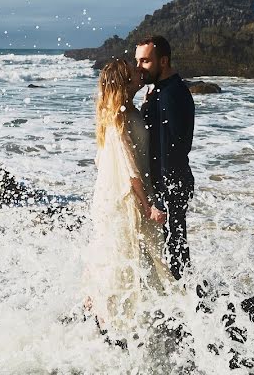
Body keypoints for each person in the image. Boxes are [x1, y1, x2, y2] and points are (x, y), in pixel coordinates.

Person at [83, 59, 175, 333]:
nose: (139, 70)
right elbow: (128, 167)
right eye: (134, 69)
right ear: (125, 80)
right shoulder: (119, 115)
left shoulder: (124, 109)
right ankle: (113, 325)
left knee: (120, 254)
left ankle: (106, 315)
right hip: (125, 198)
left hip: (114, 196)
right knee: (122, 256)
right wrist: (149, 207)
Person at [135, 35, 195, 280]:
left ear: (163, 61)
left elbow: (172, 150)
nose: (139, 67)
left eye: (145, 61)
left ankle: (185, 296)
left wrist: (160, 198)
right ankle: (183, 294)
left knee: (175, 247)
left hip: (171, 183)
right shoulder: (161, 90)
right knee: (173, 244)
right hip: (170, 182)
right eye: (137, 61)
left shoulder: (171, 95)